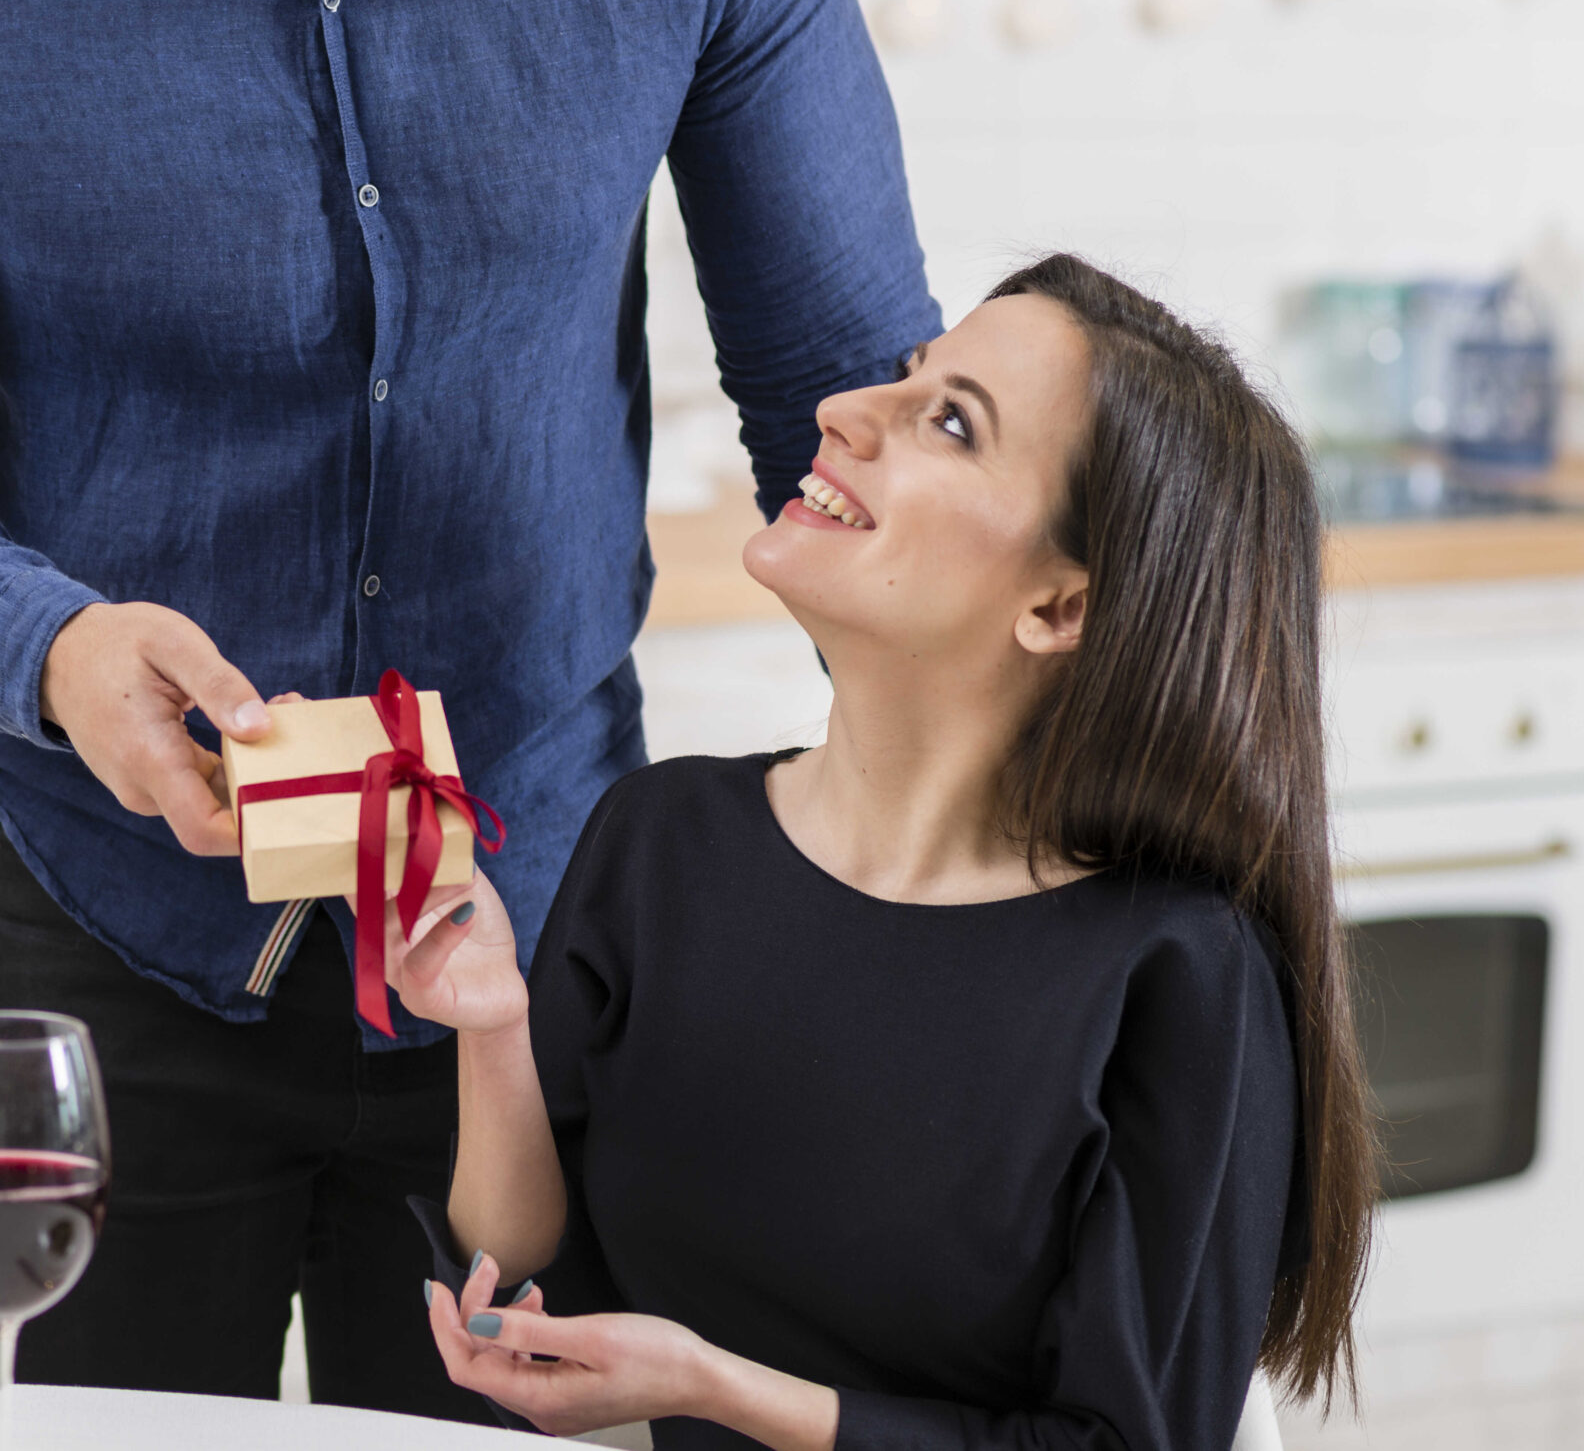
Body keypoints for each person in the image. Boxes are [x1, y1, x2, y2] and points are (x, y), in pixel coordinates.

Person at [0, 0, 939, 1419]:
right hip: (95, 914)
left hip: (537, 921)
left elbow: (847, 390)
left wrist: (938, 844)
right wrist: (47, 647)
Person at [385, 255, 1377, 1450]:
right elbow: (534, 1275)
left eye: (948, 421)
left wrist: (718, 1385)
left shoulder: (1178, 977)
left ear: (1061, 607)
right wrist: (490, 1025)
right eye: (906, 378)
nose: (842, 412)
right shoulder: (660, 840)